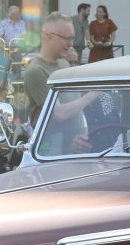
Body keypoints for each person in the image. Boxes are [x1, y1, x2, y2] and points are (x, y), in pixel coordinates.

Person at [24, 12, 97, 151]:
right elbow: (59, 114)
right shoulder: (36, 70)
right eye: (67, 38)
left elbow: (75, 101)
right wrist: (93, 94)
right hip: (51, 149)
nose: (71, 44)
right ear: (49, 37)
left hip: (74, 147)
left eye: (73, 38)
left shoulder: (63, 63)